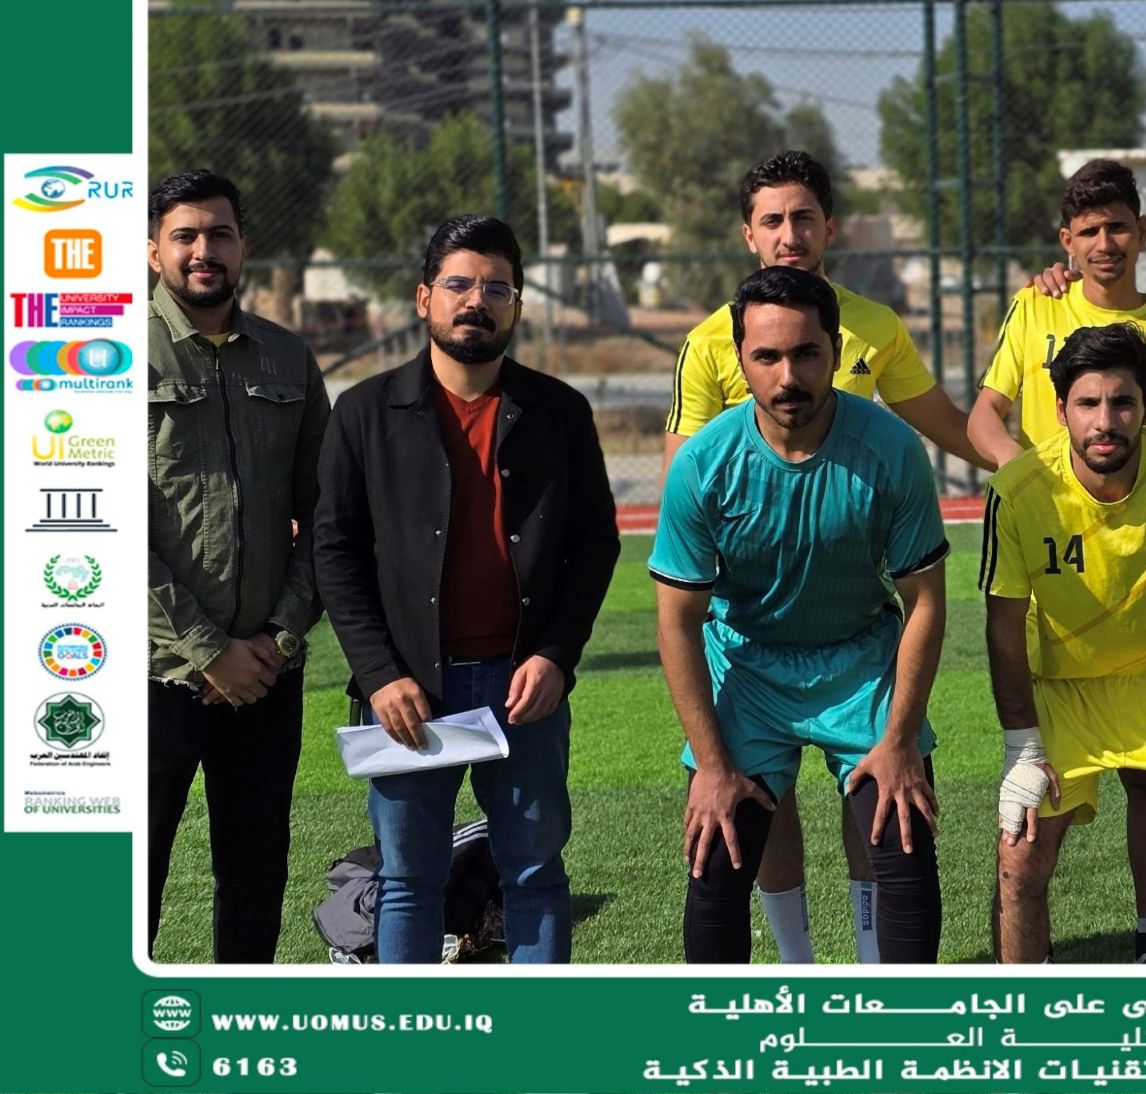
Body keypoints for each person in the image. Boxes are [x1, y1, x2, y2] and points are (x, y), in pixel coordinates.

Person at [663, 150, 984, 964]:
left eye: (806, 355)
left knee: (901, 834)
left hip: (859, 658)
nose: (787, 375)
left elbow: (926, 599)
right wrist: (711, 762)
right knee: (717, 851)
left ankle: (890, 1010)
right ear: (739, 359)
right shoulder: (705, 460)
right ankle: (770, 994)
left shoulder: (889, 449)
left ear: (837, 352)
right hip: (747, 659)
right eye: (767, 358)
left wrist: (901, 738)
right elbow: (678, 615)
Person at [315, 215, 620, 963]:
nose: (476, 301)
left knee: (534, 873)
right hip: (407, 690)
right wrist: (379, 674)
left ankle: (531, 1031)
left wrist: (555, 655)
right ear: (424, 298)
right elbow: (334, 551)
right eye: (458, 284)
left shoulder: (559, 412)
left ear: (516, 306)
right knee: (407, 879)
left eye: (496, 288)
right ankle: (411, 1030)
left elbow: (594, 546)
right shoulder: (363, 412)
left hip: (523, 687)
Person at [972, 157, 1146, 963]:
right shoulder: (1036, 306)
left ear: (1142, 232)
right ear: (1066, 240)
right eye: (1089, 230)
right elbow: (985, 416)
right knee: (1021, 850)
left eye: (1119, 227)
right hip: (1063, 618)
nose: (1105, 243)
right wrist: (1036, 485)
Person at [147, 169, 329, 962]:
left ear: (244, 246)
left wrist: (279, 637)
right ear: (152, 249)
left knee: (256, 878)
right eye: (184, 235)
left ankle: (239, 1016)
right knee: (131, 879)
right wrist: (205, 647)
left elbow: (327, 518)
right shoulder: (104, 357)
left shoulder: (288, 357)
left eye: (219, 234)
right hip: (149, 673)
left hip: (264, 675)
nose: (203, 251)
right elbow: (96, 529)